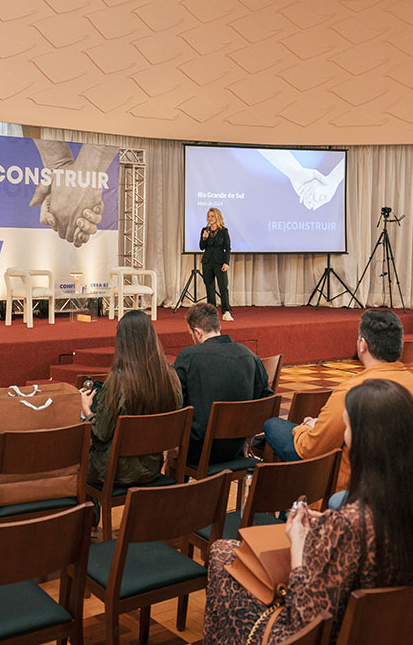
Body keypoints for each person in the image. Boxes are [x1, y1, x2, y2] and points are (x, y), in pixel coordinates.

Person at [205, 379, 413, 645]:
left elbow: (304, 616)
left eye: (347, 428)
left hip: (329, 636)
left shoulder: (349, 526)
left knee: (222, 554)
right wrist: (331, 525)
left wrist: (299, 543)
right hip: (403, 630)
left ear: (364, 443)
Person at [263, 309, 413, 488]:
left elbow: (311, 449)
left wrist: (305, 427)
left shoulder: (353, 390)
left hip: (358, 488)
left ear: (363, 345)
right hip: (410, 485)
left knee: (274, 425)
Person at [80, 309, 184, 484]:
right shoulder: (170, 376)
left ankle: (91, 503)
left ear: (121, 342)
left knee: (77, 456)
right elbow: (176, 416)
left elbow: (102, 433)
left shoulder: (118, 381)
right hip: (151, 467)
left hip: (114, 471)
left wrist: (86, 410)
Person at [173, 302, 270, 466]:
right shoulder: (249, 355)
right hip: (237, 446)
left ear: (197, 332)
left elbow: (176, 402)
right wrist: (249, 436)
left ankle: (181, 482)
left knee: (174, 453)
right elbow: (266, 399)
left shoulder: (188, 356)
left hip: (198, 450)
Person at [200, 207, 233, 321]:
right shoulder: (205, 230)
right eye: (208, 216)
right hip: (207, 262)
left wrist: (226, 262)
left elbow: (227, 248)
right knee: (209, 287)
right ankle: (211, 312)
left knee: (223, 287)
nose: (210, 218)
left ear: (217, 217)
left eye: (212, 216)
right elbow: (202, 247)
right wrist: (204, 238)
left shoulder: (223, 231)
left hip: (220, 262)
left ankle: (226, 311)